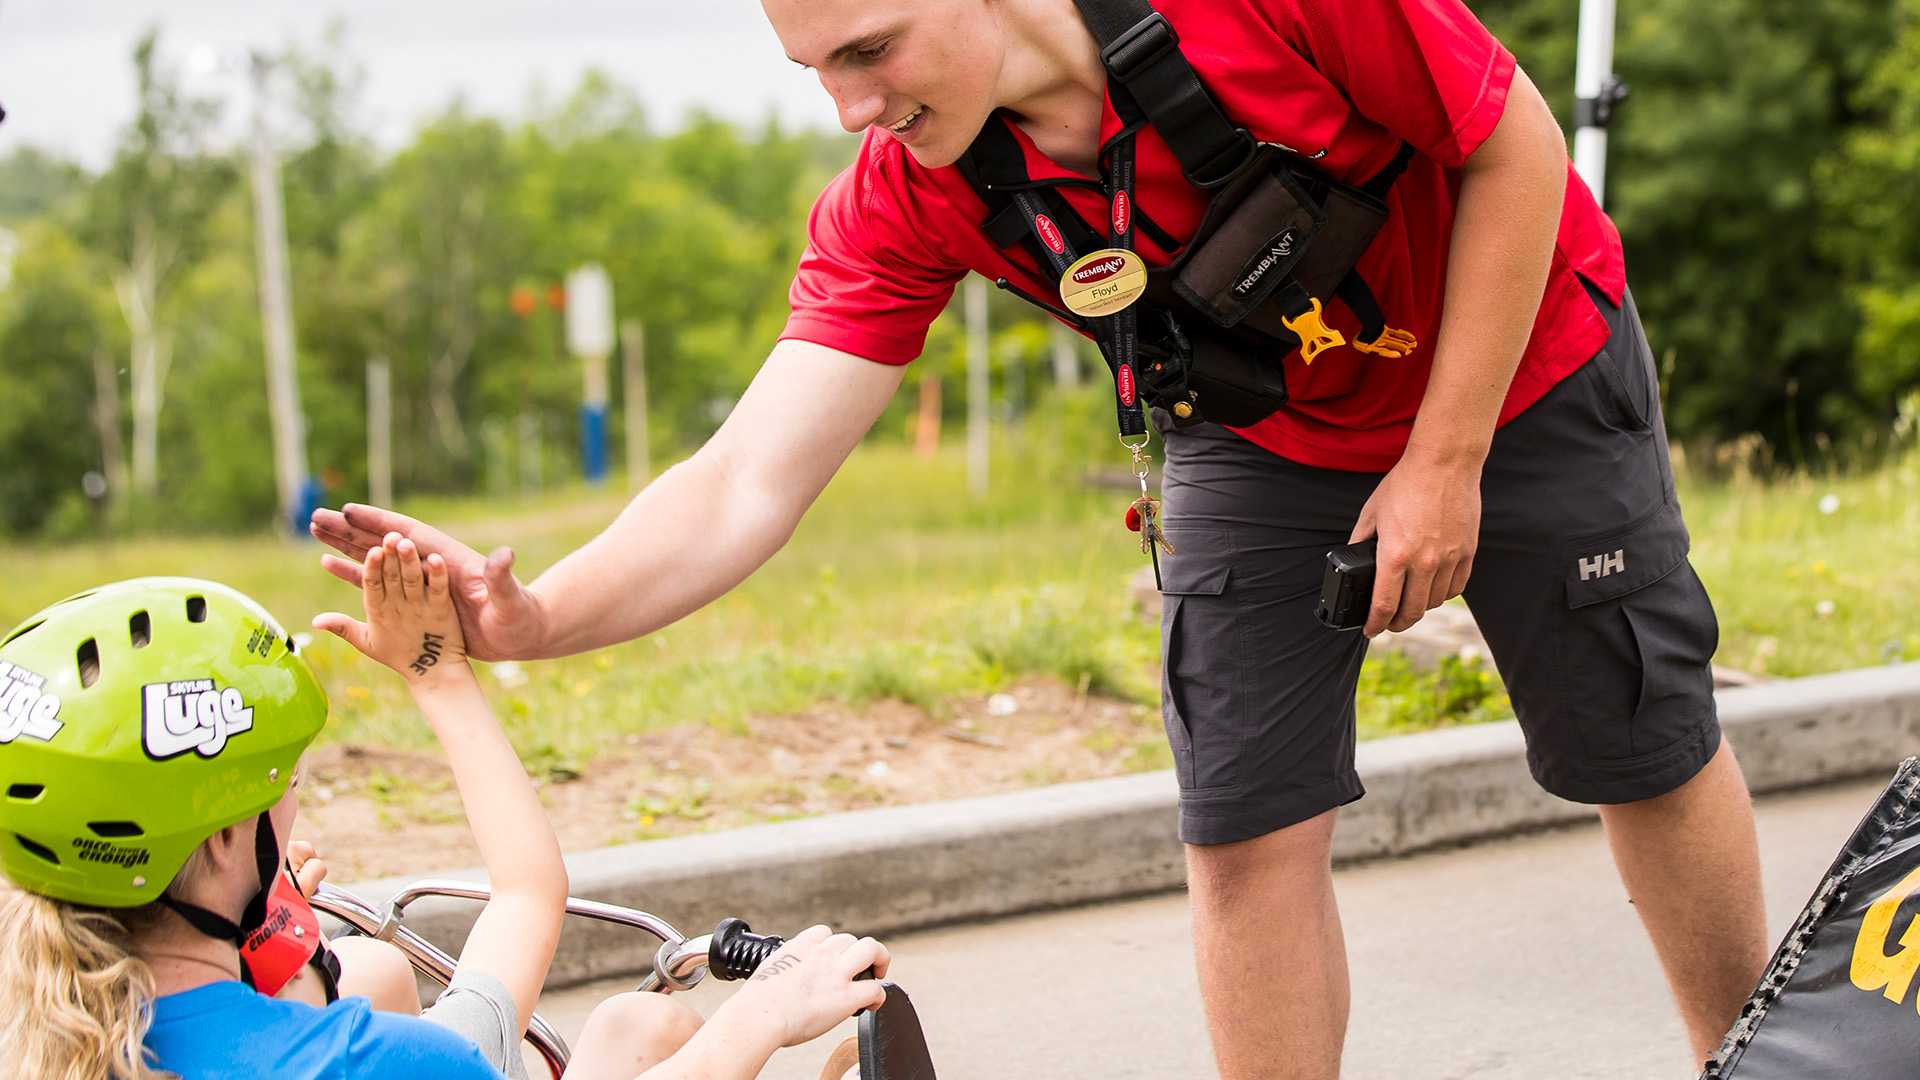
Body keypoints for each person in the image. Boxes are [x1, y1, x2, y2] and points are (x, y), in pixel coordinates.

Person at [310, 0, 1769, 1074]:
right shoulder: (915, 188)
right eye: (814, 70)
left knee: (1632, 745)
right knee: (1245, 830)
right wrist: (537, 614)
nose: (847, 106)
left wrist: (1445, 462)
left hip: (1521, 367)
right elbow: (750, 471)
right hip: (1255, 436)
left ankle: (1749, 1058)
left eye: (868, 51)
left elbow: (1510, 141)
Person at [0, 566, 887, 1079]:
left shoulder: (44, 1035)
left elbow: (523, 904)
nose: (295, 800)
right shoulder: (368, 1064)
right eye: (285, 784)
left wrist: (279, 971)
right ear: (229, 838)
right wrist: (766, 1015)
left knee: (614, 1024)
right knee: (658, 1033)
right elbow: (527, 898)